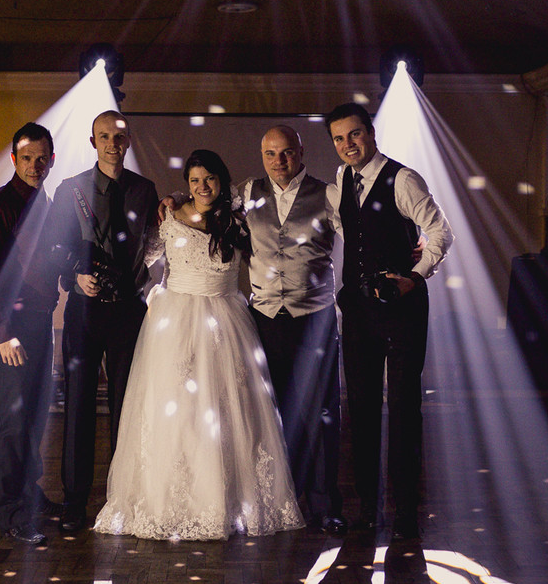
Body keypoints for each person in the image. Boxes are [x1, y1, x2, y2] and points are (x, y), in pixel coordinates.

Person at [94, 149, 305, 540]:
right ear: (186, 185)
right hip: (176, 321)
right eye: (194, 180)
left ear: (221, 180)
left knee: (226, 411)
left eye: (209, 178)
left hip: (226, 318)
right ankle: (170, 499)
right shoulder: (170, 217)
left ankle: (226, 500)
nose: (202, 186)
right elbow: (143, 259)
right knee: (178, 411)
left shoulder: (238, 219)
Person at [325, 102, 452, 541]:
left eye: (354, 134)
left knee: (402, 409)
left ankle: (406, 513)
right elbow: (352, 232)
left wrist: (414, 276)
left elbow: (441, 232)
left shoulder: (403, 178)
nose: (348, 144)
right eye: (339, 138)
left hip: (401, 309)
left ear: (371, 133)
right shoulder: (340, 181)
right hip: (359, 311)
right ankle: (369, 507)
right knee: (360, 409)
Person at [41, 110, 161, 533]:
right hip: (85, 310)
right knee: (78, 404)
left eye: (119, 136)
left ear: (128, 141)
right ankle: (75, 500)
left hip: (129, 310)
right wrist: (75, 274)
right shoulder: (70, 188)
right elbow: (52, 246)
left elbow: (155, 242)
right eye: (104, 136)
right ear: (94, 142)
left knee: (127, 407)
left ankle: (121, 496)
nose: (112, 143)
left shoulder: (145, 189)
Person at [242, 125, 345, 535]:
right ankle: (282, 500)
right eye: (270, 154)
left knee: (321, 412)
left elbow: (362, 233)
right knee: (273, 413)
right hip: (265, 318)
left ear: (301, 152)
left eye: (286, 152)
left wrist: (411, 243)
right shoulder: (247, 192)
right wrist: (173, 200)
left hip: (314, 317)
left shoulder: (328, 193)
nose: (278, 161)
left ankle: (325, 504)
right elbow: (204, 198)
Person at [0, 122, 60, 545]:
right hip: (9, 329)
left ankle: (30, 495)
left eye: (41, 159)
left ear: (52, 160)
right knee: (9, 422)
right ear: (13, 159)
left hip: (40, 324)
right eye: (26, 158)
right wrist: (4, 333)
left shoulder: (46, 203)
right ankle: (10, 512)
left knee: (35, 414)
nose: (34, 166)